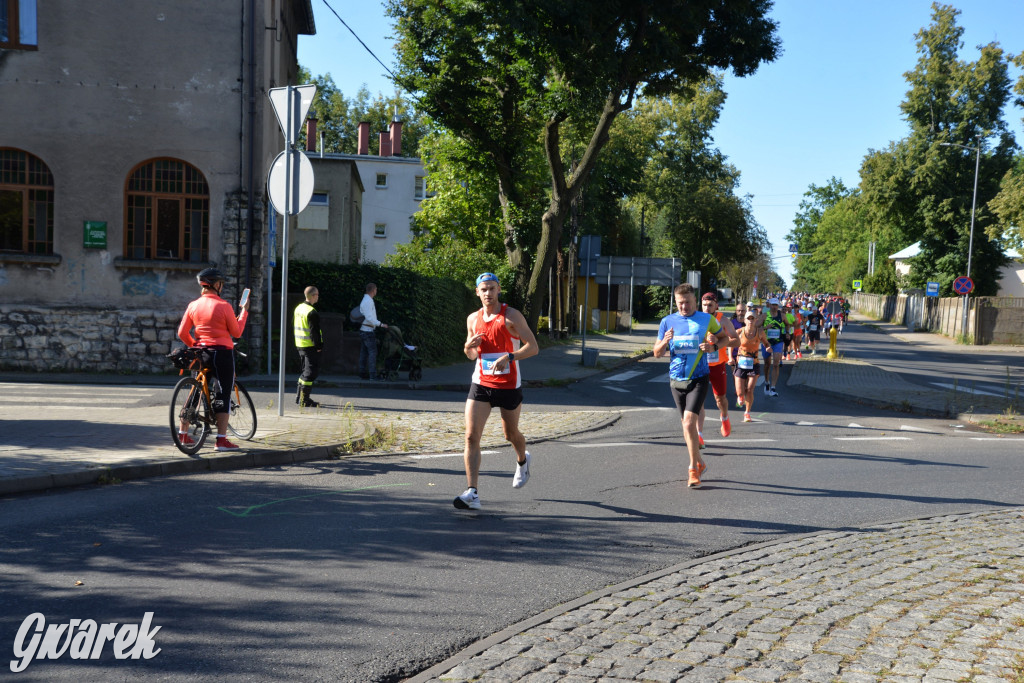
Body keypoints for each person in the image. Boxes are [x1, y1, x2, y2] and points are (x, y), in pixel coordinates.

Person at [454, 273, 539, 510]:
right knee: (471, 436)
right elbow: (471, 353)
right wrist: (468, 347)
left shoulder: (511, 316)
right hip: (481, 383)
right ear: (477, 292)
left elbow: (533, 348)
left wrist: (510, 356)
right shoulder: (473, 319)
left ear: (498, 289)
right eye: (483, 289)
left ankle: (522, 460)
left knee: (510, 435)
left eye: (492, 288)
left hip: (509, 385)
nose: (488, 293)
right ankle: (472, 493)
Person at [653, 283, 734, 490]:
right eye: (680, 303)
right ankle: (701, 462)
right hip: (676, 380)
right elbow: (657, 353)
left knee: (689, 422)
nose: (684, 307)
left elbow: (725, 338)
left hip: (699, 377)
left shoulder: (706, 319)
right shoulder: (667, 322)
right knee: (685, 425)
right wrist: (665, 342)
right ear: (676, 302)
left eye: (687, 302)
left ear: (694, 302)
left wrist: (713, 346)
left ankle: (692, 469)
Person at [177, 267, 250, 451]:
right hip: (221, 353)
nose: (222, 287)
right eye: (221, 284)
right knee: (222, 393)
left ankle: (183, 435)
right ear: (216, 285)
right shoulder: (223, 306)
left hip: (200, 352)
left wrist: (195, 344)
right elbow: (237, 332)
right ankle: (221, 440)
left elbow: (182, 332)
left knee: (195, 390)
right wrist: (244, 312)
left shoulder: (193, 305)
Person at [697, 292, 739, 442]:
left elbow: (736, 341)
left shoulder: (723, 320)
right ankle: (699, 435)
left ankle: (725, 417)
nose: (707, 308)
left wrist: (720, 341)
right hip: (700, 364)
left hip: (717, 364)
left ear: (716, 305)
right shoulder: (697, 318)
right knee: (698, 400)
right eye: (704, 305)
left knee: (720, 398)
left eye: (710, 305)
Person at [734, 310, 769, 423]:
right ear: (744, 320)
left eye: (752, 318)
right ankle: (740, 396)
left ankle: (747, 413)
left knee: (750, 389)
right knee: (740, 391)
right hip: (741, 363)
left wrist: (768, 347)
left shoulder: (760, 332)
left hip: (754, 363)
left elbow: (766, 343)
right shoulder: (739, 331)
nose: (750, 321)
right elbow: (730, 344)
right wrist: (730, 357)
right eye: (748, 318)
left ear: (756, 320)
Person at [293, 285, 324, 407]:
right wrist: (318, 346)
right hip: (310, 346)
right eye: (317, 295)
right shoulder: (311, 312)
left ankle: (299, 397)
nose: (318, 297)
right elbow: (314, 332)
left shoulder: (299, 308)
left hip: (300, 344)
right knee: (311, 373)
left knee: (305, 372)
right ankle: (304, 400)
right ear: (312, 296)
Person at [358, 283, 388, 380]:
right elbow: (370, 318)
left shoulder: (366, 300)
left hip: (364, 329)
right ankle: (372, 375)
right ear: (373, 290)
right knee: (372, 352)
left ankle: (362, 373)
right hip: (367, 330)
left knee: (364, 352)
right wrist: (381, 324)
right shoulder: (368, 301)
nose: (376, 292)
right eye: (376, 290)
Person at [762, 298, 786, 397]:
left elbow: (788, 324)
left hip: (778, 342)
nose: (774, 306)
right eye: (773, 305)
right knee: (767, 364)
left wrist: (787, 333)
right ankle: (767, 382)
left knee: (776, 363)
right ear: (769, 305)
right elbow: (756, 327)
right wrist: (765, 328)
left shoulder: (782, 315)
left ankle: (773, 387)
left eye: (776, 305)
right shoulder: (764, 316)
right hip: (766, 342)